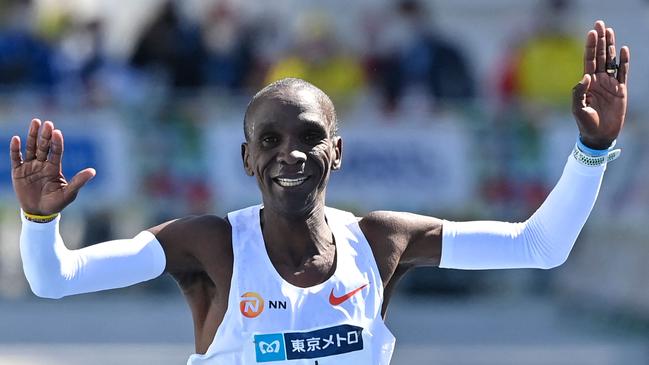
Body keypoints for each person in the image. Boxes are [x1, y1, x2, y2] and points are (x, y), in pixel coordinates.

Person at [10, 21, 629, 365]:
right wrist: (39, 222)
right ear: (247, 158)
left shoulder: (382, 242)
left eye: (310, 137)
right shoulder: (208, 245)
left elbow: (539, 246)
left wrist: (592, 151)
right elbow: (55, 280)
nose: (291, 154)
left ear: (337, 152)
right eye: (270, 140)